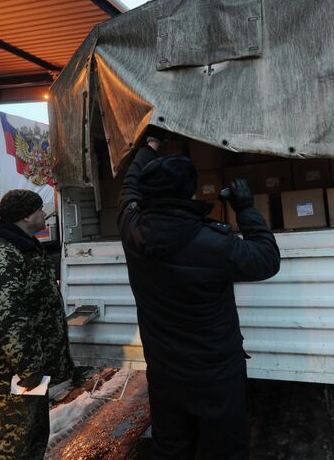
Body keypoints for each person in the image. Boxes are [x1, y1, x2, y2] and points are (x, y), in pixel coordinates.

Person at [118, 133, 281, 460]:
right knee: (225, 449)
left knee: (171, 447)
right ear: (190, 191)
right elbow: (267, 260)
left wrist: (148, 148)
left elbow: (129, 188)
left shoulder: (132, 230)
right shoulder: (215, 242)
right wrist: (246, 209)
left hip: (164, 370)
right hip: (216, 374)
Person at [0, 189, 74, 460]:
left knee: (32, 444)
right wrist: (29, 368)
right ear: (26, 216)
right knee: (9, 452)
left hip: (27, 375)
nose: (45, 213)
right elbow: (4, 319)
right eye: (39, 209)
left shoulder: (23, 248)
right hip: (7, 378)